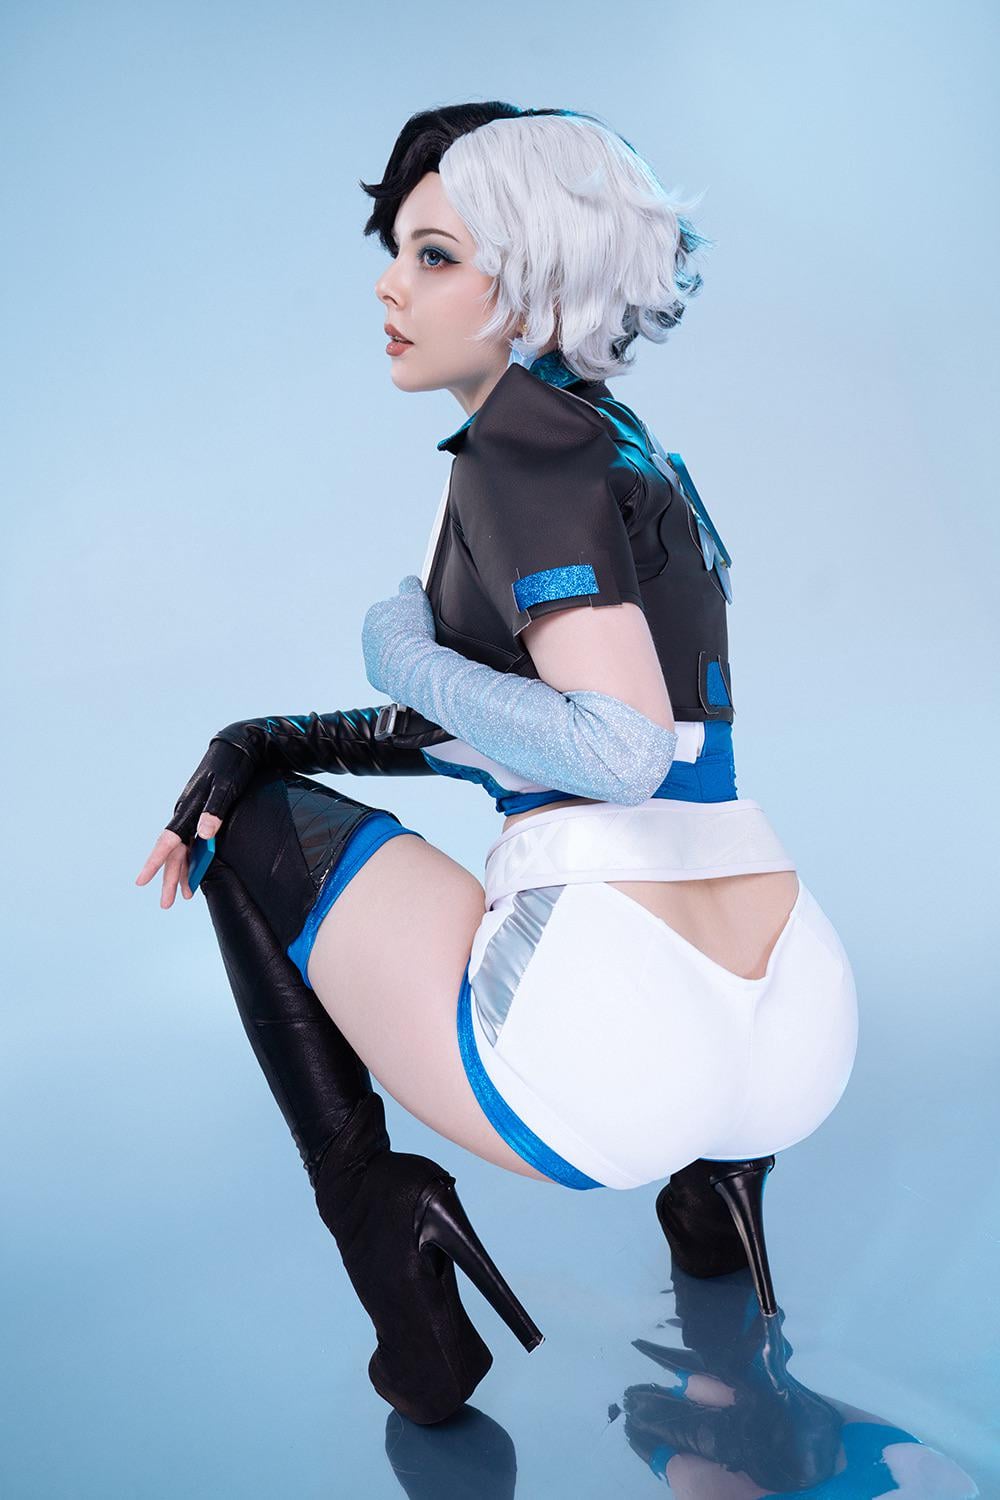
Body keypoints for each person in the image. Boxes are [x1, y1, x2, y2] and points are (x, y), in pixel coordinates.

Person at [135, 102, 859, 1426]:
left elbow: (613, 750)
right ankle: (717, 1192)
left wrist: (398, 656)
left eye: (433, 257)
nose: (389, 287)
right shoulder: (631, 451)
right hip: (792, 1013)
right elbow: (563, 731)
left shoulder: (513, 460)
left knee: (248, 840)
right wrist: (272, 738)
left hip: (611, 1035)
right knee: (264, 784)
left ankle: (384, 1226)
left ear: (528, 287)